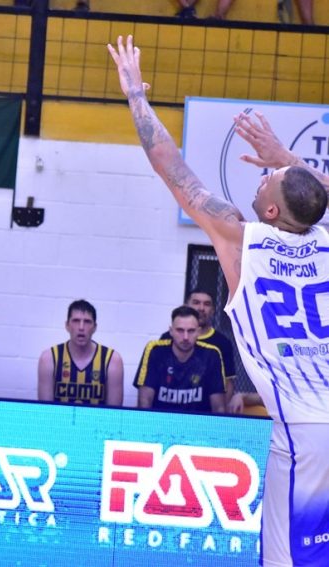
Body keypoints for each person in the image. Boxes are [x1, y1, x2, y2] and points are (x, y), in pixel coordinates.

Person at [110, 34, 329, 566]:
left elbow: (170, 166)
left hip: (306, 431)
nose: (266, 174)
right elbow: (316, 197)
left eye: (272, 177)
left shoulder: (240, 239)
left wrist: (136, 95)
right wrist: (287, 159)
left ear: (272, 211)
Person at [135, 305, 227, 414]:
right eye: (180, 330)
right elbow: (144, 401)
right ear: (171, 331)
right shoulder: (155, 351)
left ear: (198, 332)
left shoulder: (211, 355)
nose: (185, 337)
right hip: (161, 421)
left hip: (198, 422)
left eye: (191, 331)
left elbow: (219, 407)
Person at [37, 299, 124, 406]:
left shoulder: (112, 360)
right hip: (60, 417)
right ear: (67, 325)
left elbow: (113, 413)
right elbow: (46, 411)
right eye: (76, 321)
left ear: (95, 327)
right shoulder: (49, 358)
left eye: (87, 322)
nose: (81, 327)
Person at [159, 288, 237, 403]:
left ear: (213, 310)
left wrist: (221, 411)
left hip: (206, 411)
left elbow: (228, 383)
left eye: (207, 304)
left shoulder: (222, 343)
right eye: (196, 303)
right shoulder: (167, 338)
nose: (201, 308)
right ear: (186, 306)